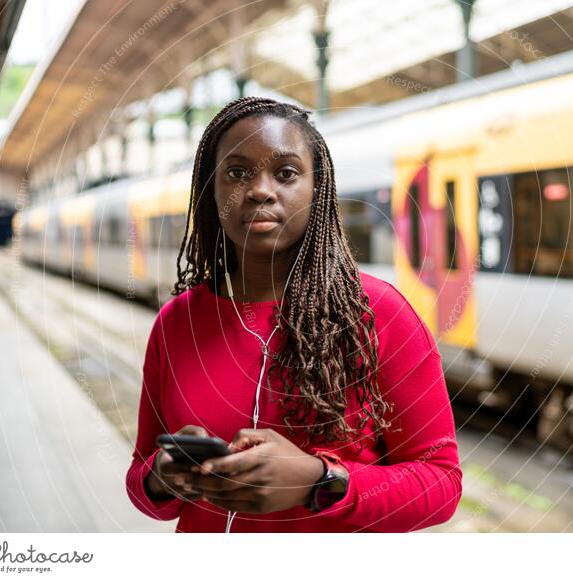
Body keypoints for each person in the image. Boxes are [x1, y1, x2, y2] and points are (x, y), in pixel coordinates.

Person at [125, 96, 462, 532]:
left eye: (285, 173)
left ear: (317, 188)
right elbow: (140, 479)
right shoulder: (176, 323)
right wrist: (163, 477)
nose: (260, 189)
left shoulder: (379, 313)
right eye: (236, 172)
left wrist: (320, 482)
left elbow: (441, 484)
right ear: (212, 191)